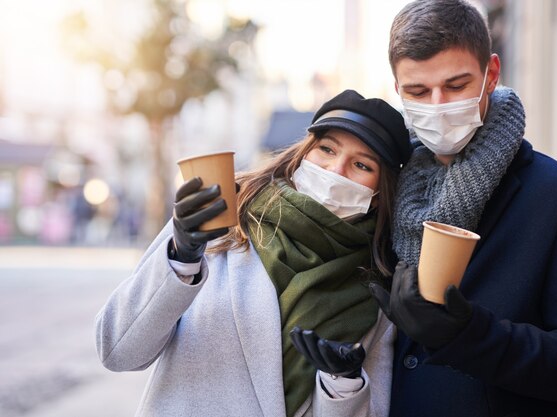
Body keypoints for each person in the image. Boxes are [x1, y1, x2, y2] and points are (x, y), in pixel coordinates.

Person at [368, 1, 557, 416]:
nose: (437, 105)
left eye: (456, 85)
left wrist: (470, 336)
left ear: (491, 73)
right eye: (418, 91)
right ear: (397, 89)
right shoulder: (388, 187)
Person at [95, 89, 412, 417]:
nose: (335, 169)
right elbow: (118, 351)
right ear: (304, 154)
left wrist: (344, 385)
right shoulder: (225, 215)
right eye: (327, 149)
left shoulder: (376, 286)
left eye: (361, 164)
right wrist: (180, 257)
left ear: (377, 193)